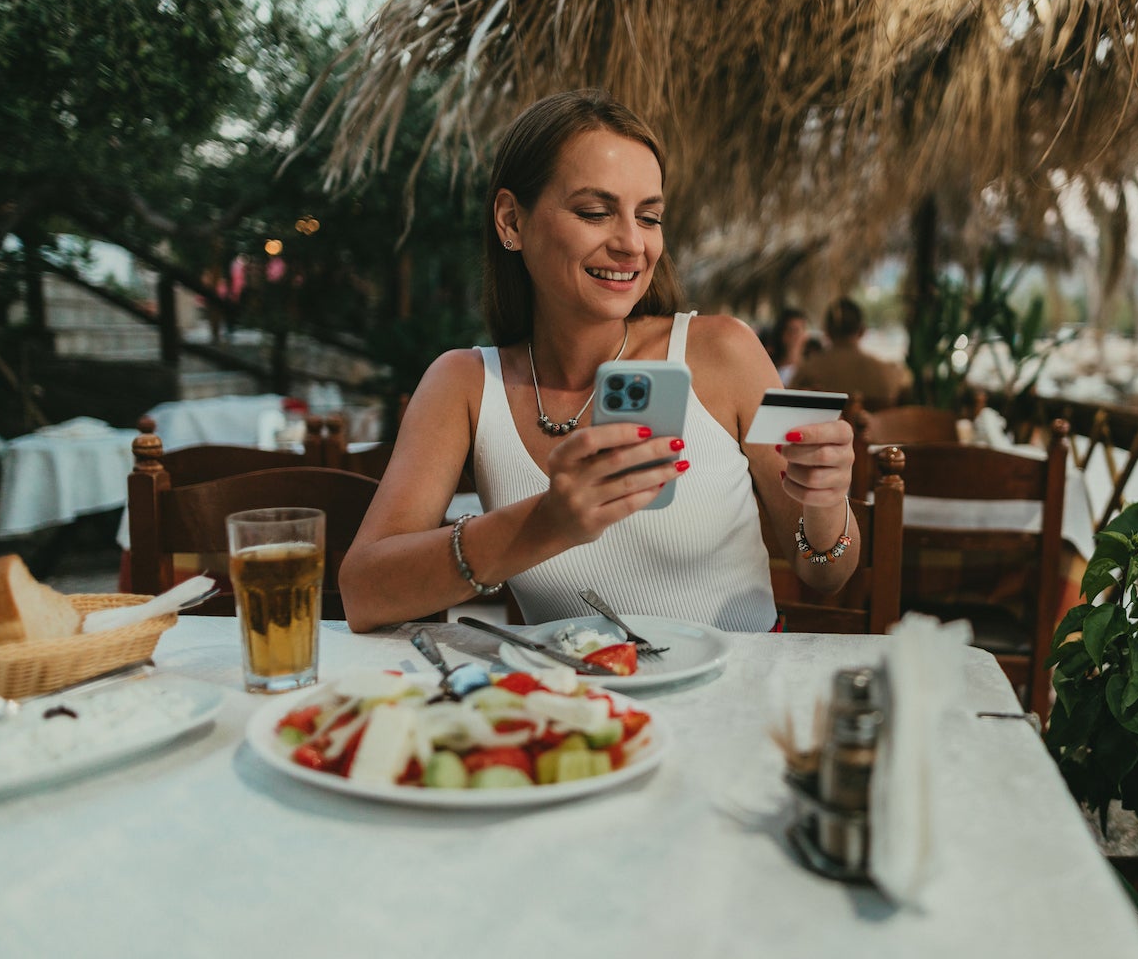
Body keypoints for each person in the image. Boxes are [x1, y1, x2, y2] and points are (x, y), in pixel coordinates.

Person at [340, 90, 858, 633]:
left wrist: (826, 503)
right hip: (573, 710)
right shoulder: (464, 384)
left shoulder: (726, 350)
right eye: (595, 212)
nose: (633, 244)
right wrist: (545, 524)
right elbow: (364, 593)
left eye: (650, 217)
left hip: (735, 702)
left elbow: (827, 574)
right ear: (512, 220)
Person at [790, 297, 910, 410]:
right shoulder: (888, 373)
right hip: (879, 432)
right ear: (862, 331)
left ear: (826, 332)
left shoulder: (807, 371)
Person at [765, 307, 809, 386]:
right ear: (783, 335)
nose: (796, 336)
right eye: (793, 331)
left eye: (800, 331)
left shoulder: (809, 370)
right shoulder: (770, 370)